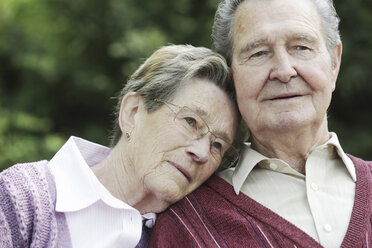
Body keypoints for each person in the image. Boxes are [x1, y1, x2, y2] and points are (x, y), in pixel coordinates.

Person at [148, 0, 372, 247]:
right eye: (258, 53)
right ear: (232, 75)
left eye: (301, 47)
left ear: (334, 63)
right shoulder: (187, 226)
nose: (284, 71)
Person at [0, 44, 246, 247]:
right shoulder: (22, 200)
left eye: (217, 145)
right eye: (191, 121)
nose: (202, 152)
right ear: (132, 113)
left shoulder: (189, 237)